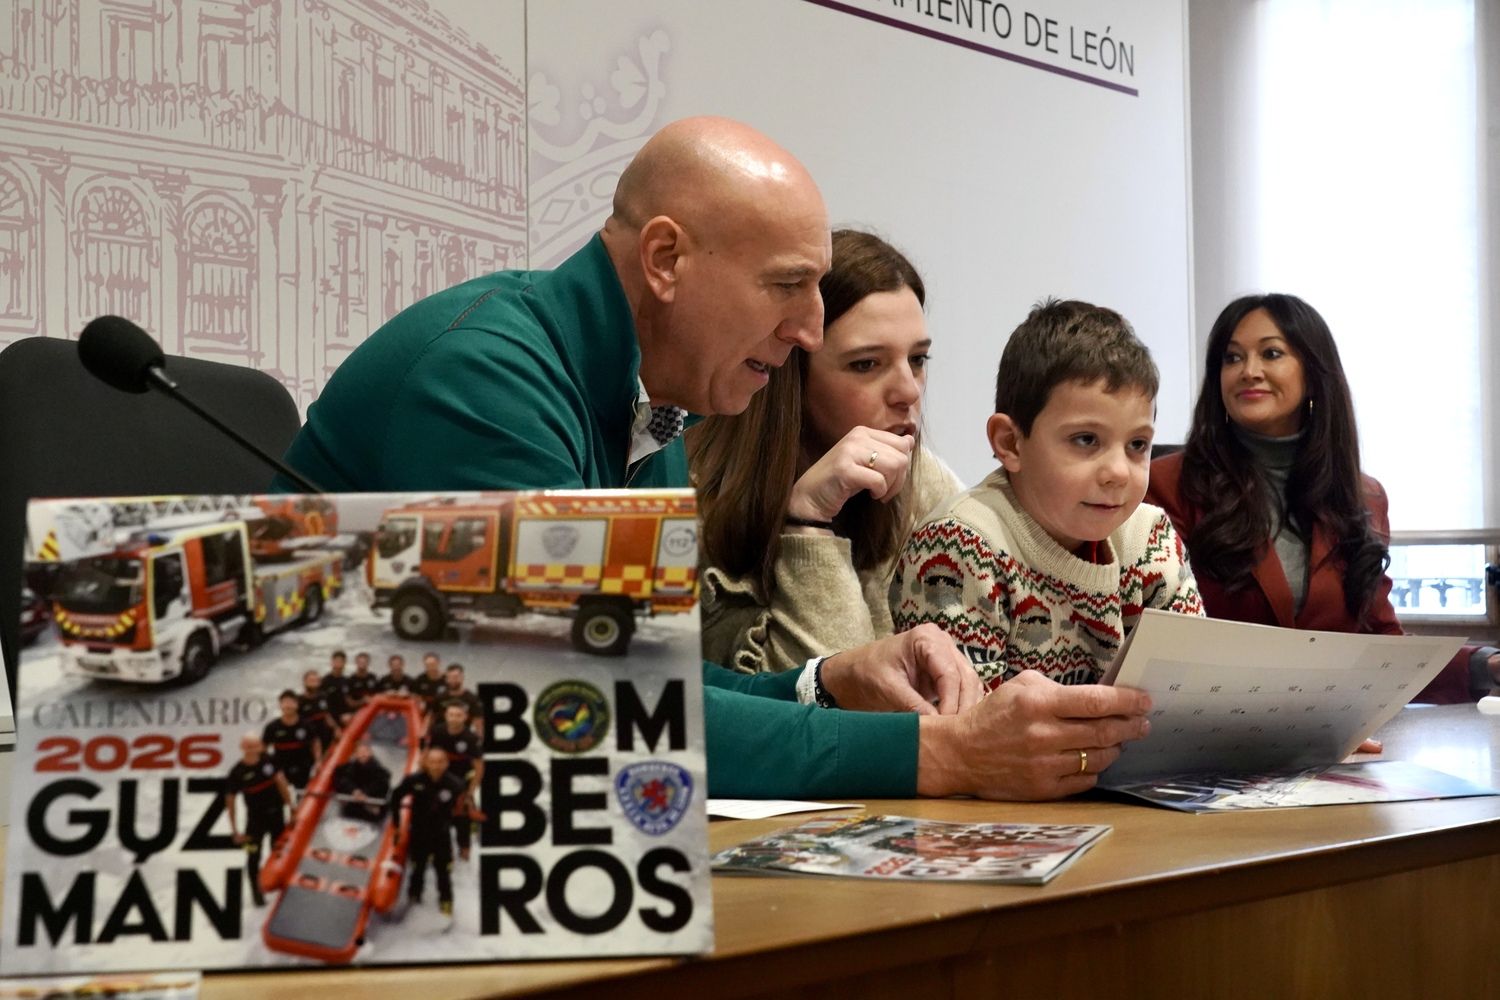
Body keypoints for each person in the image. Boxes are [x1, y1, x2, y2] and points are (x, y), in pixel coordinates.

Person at [278, 116, 1151, 801]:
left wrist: (827, 680)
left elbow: (645, 671)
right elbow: (584, 705)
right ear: (665, 259)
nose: (809, 328)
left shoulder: (651, 409)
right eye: (786, 285)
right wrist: (946, 754)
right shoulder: (484, 379)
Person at [1146, 293, 1500, 702]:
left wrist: (1484, 666)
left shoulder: (1363, 497)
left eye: (1271, 353)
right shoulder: (1165, 484)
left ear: (1313, 374)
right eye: (1231, 358)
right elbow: (1160, 644)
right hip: (1201, 732)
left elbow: (1381, 648)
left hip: (1320, 741)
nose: (1249, 371)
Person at [689, 229, 962, 675]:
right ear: (789, 377)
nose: (908, 391)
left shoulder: (922, 481)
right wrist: (809, 524)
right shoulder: (694, 509)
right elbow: (827, 713)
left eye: (917, 359)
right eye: (866, 364)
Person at [893, 299, 1204, 686]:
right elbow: (963, 725)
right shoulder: (960, 545)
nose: (1118, 472)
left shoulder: (1151, 539)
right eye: (1086, 440)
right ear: (1011, 443)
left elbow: (1190, 690)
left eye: (1138, 445)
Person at [389, 747, 466, 916]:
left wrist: (463, 843)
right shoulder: (414, 780)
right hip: (419, 833)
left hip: (442, 835)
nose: (436, 766)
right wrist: (397, 824)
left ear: (446, 764)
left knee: (443, 872)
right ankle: (414, 900)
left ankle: (446, 904)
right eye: (432, 762)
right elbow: (395, 797)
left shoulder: (456, 784)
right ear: (426, 763)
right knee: (417, 869)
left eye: (440, 762)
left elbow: (462, 815)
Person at [224, 733, 292, 906]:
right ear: (243, 748)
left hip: (276, 815)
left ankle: (280, 886)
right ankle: (256, 891)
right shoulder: (236, 772)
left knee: (279, 852)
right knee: (252, 855)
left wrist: (291, 806)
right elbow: (230, 801)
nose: (255, 750)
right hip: (254, 821)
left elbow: (281, 781)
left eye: (257, 746)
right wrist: (234, 830)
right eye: (250, 747)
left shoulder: (269, 760)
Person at [424, 702, 483, 861]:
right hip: (438, 777)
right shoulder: (437, 731)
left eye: (458, 715)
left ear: (464, 717)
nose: (454, 718)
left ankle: (464, 847)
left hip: (461, 780)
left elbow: (479, 767)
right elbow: (426, 754)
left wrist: (471, 792)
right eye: (451, 715)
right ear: (445, 716)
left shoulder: (471, 739)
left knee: (461, 816)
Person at [262, 690, 319, 789]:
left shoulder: (306, 724)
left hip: (304, 768)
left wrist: (318, 761)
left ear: (297, 705)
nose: (288, 706)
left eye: (291, 702)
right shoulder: (272, 727)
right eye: (285, 703)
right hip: (281, 770)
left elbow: (315, 742)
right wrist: (269, 766)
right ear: (280, 705)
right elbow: (263, 748)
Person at [332, 740, 391, 820]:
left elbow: (382, 784)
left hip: (371, 803)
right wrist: (354, 791)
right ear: (355, 755)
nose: (363, 754)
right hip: (354, 801)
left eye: (365, 752)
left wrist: (365, 793)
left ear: (370, 753)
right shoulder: (348, 768)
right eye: (360, 752)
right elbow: (342, 779)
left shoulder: (380, 770)